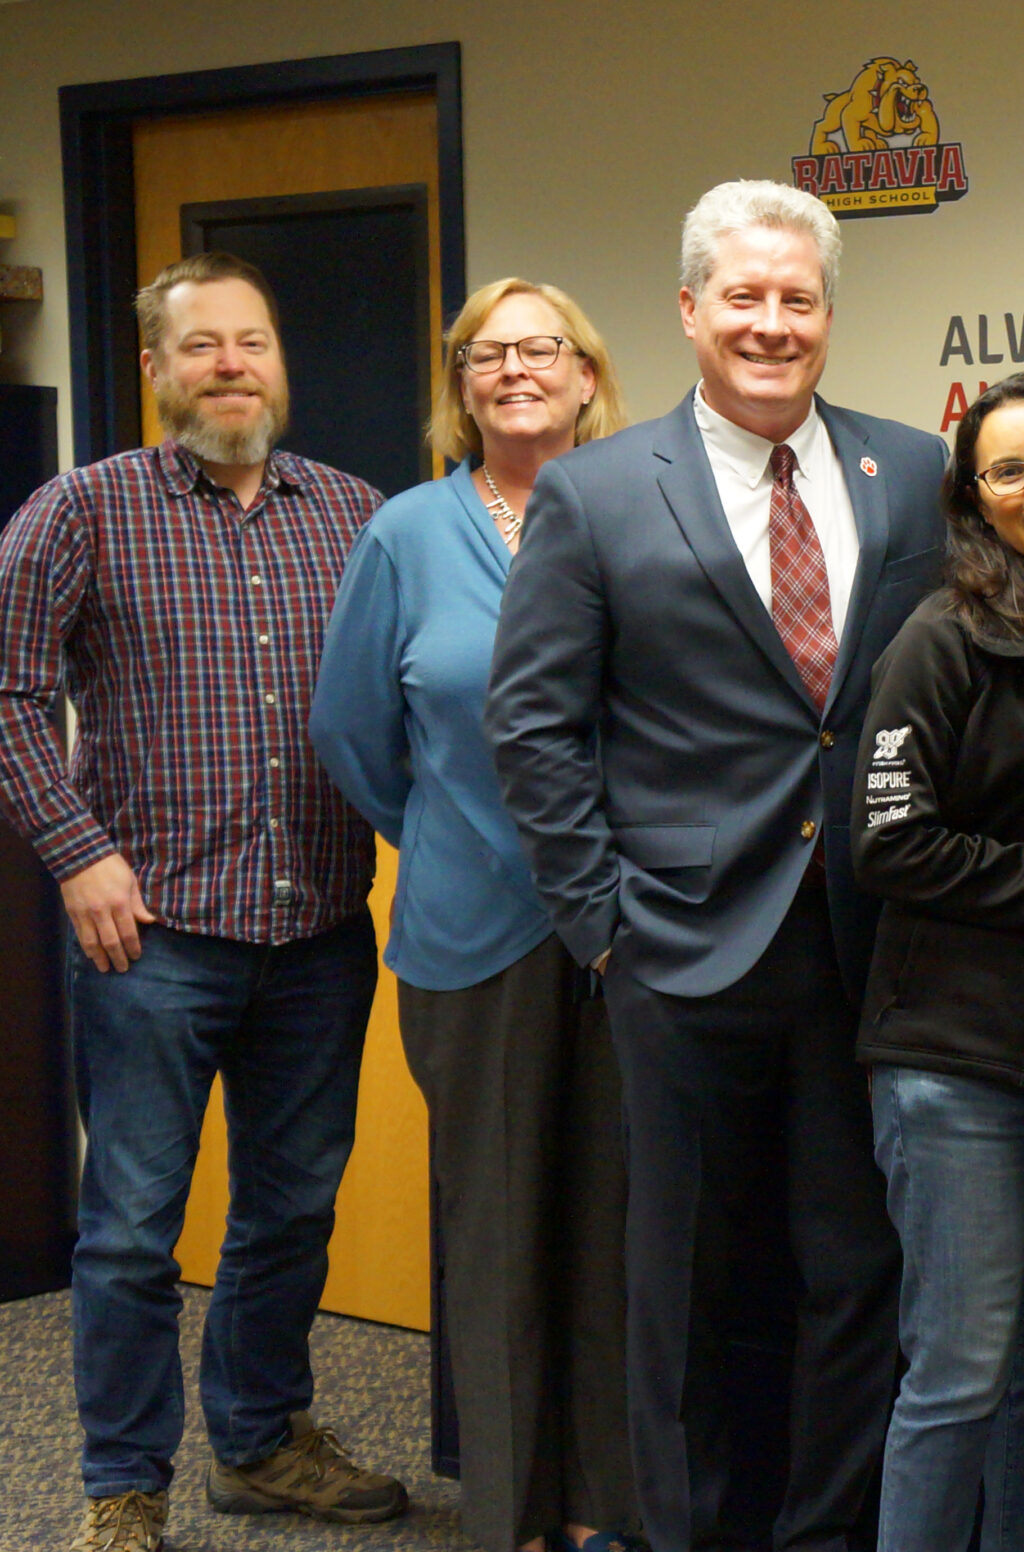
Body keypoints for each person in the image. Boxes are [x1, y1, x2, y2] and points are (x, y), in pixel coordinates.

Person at [483, 181, 946, 1552]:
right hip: (678, 946)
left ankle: (822, 1535)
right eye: (743, 296)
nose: (771, 323)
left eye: (797, 299)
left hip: (872, 946)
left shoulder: (910, 471)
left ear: (828, 315)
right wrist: (602, 927)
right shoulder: (597, 490)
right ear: (689, 311)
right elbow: (533, 722)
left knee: (856, 1272)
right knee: (687, 1284)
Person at [0, 252, 408, 1552]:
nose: (233, 364)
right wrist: (75, 852)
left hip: (320, 936)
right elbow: (6, 695)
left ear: (280, 359)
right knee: (128, 1233)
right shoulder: (81, 511)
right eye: (203, 345)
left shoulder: (356, 513)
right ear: (157, 370)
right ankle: (124, 1488)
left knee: (292, 1210)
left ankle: (261, 1440)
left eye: (254, 341)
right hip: (151, 940)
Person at [308, 277, 637, 1552]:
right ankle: (512, 1517)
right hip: (468, 932)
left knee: (615, 1228)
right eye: (486, 354)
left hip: (628, 928)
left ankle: (610, 1507)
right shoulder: (406, 531)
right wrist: (447, 827)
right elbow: (351, 730)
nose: (514, 369)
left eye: (540, 348)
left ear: (586, 372)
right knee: (497, 1239)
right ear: (460, 387)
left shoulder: (641, 510)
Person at [847, 373, 1024, 1550]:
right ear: (972, 498)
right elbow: (888, 838)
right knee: (959, 1372)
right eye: (1008, 471)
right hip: (957, 1066)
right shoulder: (944, 633)